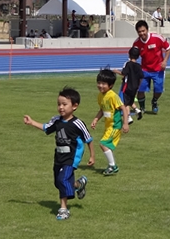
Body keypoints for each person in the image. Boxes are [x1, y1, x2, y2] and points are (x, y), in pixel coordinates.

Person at [24, 87, 94, 220]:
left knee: (62, 180)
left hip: (71, 158)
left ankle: (63, 209)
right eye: (59, 104)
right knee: (58, 182)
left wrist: (92, 156)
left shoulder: (78, 124)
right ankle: (79, 185)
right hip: (59, 157)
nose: (61, 107)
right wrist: (32, 122)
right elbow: (46, 127)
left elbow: (89, 139)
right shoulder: (56, 120)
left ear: (74, 106)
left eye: (64, 104)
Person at [91, 69, 129, 176]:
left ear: (111, 85)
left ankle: (113, 166)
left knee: (103, 144)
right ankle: (111, 165)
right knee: (106, 146)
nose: (100, 86)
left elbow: (123, 108)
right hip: (108, 126)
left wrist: (125, 123)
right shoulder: (100, 96)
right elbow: (102, 110)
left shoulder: (112, 96)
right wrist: (96, 119)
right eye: (99, 83)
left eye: (103, 84)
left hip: (115, 125)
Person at [132, 20, 170, 114]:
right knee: (140, 90)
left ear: (147, 29)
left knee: (158, 90)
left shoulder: (157, 38)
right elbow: (134, 56)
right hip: (144, 69)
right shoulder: (136, 43)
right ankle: (142, 108)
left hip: (158, 69)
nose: (142, 33)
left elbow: (168, 48)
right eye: (139, 32)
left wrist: (165, 61)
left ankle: (154, 101)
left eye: (143, 31)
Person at [113, 46, 144, 124]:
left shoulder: (128, 64)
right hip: (135, 86)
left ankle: (128, 117)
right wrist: (138, 86)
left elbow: (124, 73)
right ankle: (137, 109)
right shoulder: (138, 66)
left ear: (129, 55)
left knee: (125, 102)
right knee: (130, 100)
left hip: (127, 86)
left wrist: (116, 71)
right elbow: (141, 77)